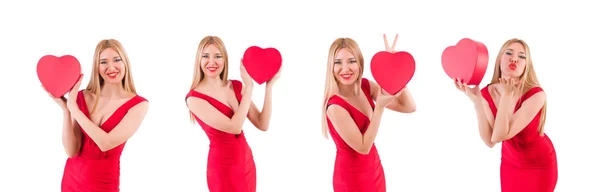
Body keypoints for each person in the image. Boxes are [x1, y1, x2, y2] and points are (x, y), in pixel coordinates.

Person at [43, 39, 150, 191]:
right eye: (103, 62)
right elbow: (72, 151)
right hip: (71, 181)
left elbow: (106, 143)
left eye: (117, 60)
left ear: (125, 62)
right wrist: (67, 111)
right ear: (96, 67)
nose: (111, 67)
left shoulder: (138, 105)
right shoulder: (82, 97)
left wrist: (74, 109)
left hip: (103, 184)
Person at [453, 38, 558, 192]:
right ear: (499, 59)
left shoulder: (536, 95)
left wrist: (507, 97)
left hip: (539, 164)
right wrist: (477, 102)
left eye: (522, 56)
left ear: (526, 66)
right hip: (510, 163)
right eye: (508, 53)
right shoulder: (486, 93)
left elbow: (500, 135)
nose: (514, 58)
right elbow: (490, 141)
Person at [321, 35, 416, 192]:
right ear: (331, 67)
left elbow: (409, 107)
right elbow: (363, 147)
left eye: (351, 61)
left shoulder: (365, 86)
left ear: (360, 63)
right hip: (351, 181)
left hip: (374, 171)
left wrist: (395, 71)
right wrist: (379, 108)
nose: (345, 69)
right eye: (338, 62)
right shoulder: (334, 106)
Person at [185, 36, 280, 192]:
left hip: (246, 162)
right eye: (205, 56)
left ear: (225, 59)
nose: (212, 62)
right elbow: (234, 127)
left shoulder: (235, 86)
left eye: (218, 56)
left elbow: (262, 124)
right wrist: (249, 88)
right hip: (223, 170)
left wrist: (269, 88)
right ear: (198, 60)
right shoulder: (194, 98)